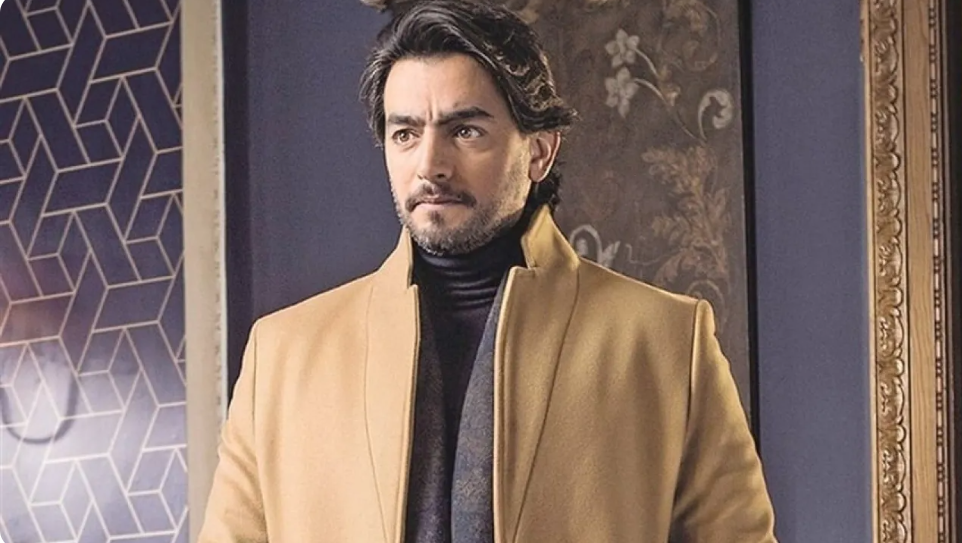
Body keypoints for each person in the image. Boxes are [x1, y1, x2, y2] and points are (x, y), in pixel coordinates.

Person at [198, 1, 777, 541]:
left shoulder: (665, 343)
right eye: (405, 134)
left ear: (539, 152)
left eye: (465, 130)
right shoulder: (283, 356)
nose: (430, 165)